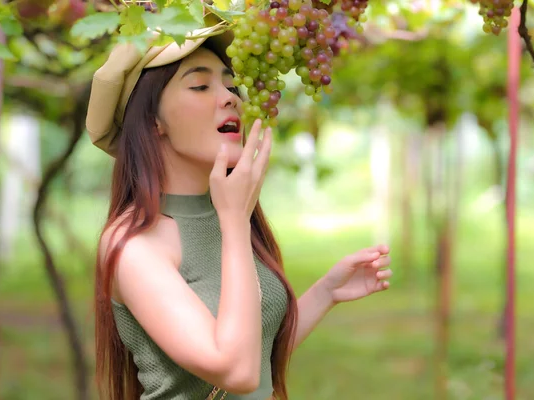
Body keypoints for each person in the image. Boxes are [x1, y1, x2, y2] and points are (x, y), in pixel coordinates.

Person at [85, 15, 393, 400]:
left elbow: (254, 354)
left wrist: (325, 292)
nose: (231, 97)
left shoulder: (224, 213)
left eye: (231, 85)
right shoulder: (133, 244)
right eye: (200, 85)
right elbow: (236, 371)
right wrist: (234, 223)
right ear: (151, 123)